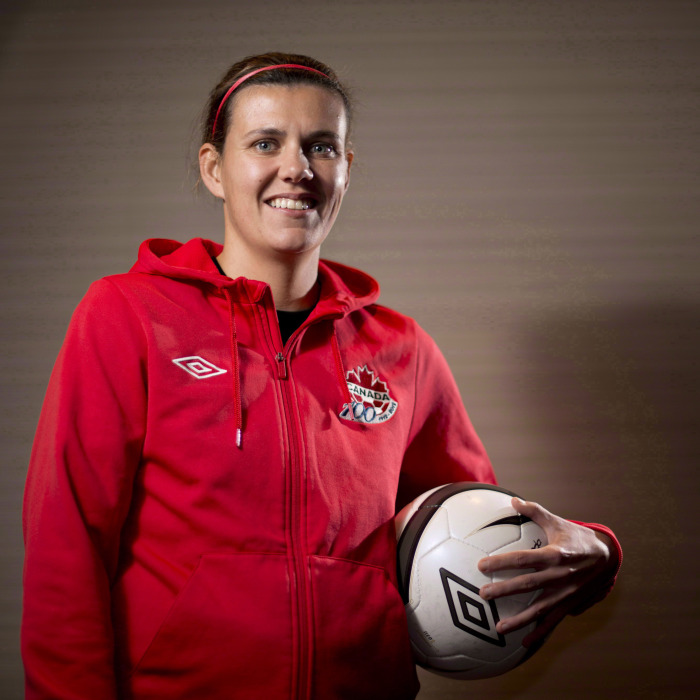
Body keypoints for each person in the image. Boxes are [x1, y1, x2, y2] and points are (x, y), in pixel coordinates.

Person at [22, 53, 622, 700]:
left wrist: (598, 554)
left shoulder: (402, 350)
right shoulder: (129, 317)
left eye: (321, 146)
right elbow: (65, 546)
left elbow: (478, 537)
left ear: (346, 169)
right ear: (214, 169)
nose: (297, 168)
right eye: (265, 143)